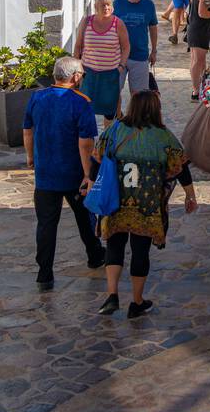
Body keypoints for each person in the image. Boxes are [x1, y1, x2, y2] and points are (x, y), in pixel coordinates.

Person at [83, 89, 198, 318]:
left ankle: (112, 295)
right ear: (156, 109)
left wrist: (91, 183)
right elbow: (181, 167)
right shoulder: (163, 137)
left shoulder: (114, 129)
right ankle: (136, 302)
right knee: (140, 251)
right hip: (147, 204)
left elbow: (98, 158)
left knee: (114, 246)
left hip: (115, 200)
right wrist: (190, 195)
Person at [22, 55, 104, 289]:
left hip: (46, 173)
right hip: (73, 173)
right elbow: (85, 142)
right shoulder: (81, 102)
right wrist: (88, 174)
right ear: (76, 77)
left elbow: (27, 130)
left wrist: (30, 157)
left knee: (46, 224)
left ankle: (45, 272)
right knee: (85, 216)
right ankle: (95, 254)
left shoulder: (37, 97)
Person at [73, 0, 131, 124]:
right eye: (102, 5)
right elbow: (78, 46)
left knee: (109, 111)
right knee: (86, 109)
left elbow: (126, 47)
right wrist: (77, 69)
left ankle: (106, 142)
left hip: (110, 74)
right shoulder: (86, 22)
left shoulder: (118, 24)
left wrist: (121, 66)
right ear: (96, 7)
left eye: (108, 5)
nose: (106, 8)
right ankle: (87, 141)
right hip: (88, 73)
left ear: (112, 6)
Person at [113, 0, 158, 96]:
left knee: (139, 94)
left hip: (140, 55)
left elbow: (153, 28)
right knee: (115, 91)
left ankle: (135, 115)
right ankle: (117, 114)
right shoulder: (116, 5)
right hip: (118, 55)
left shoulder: (148, 5)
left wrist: (154, 50)